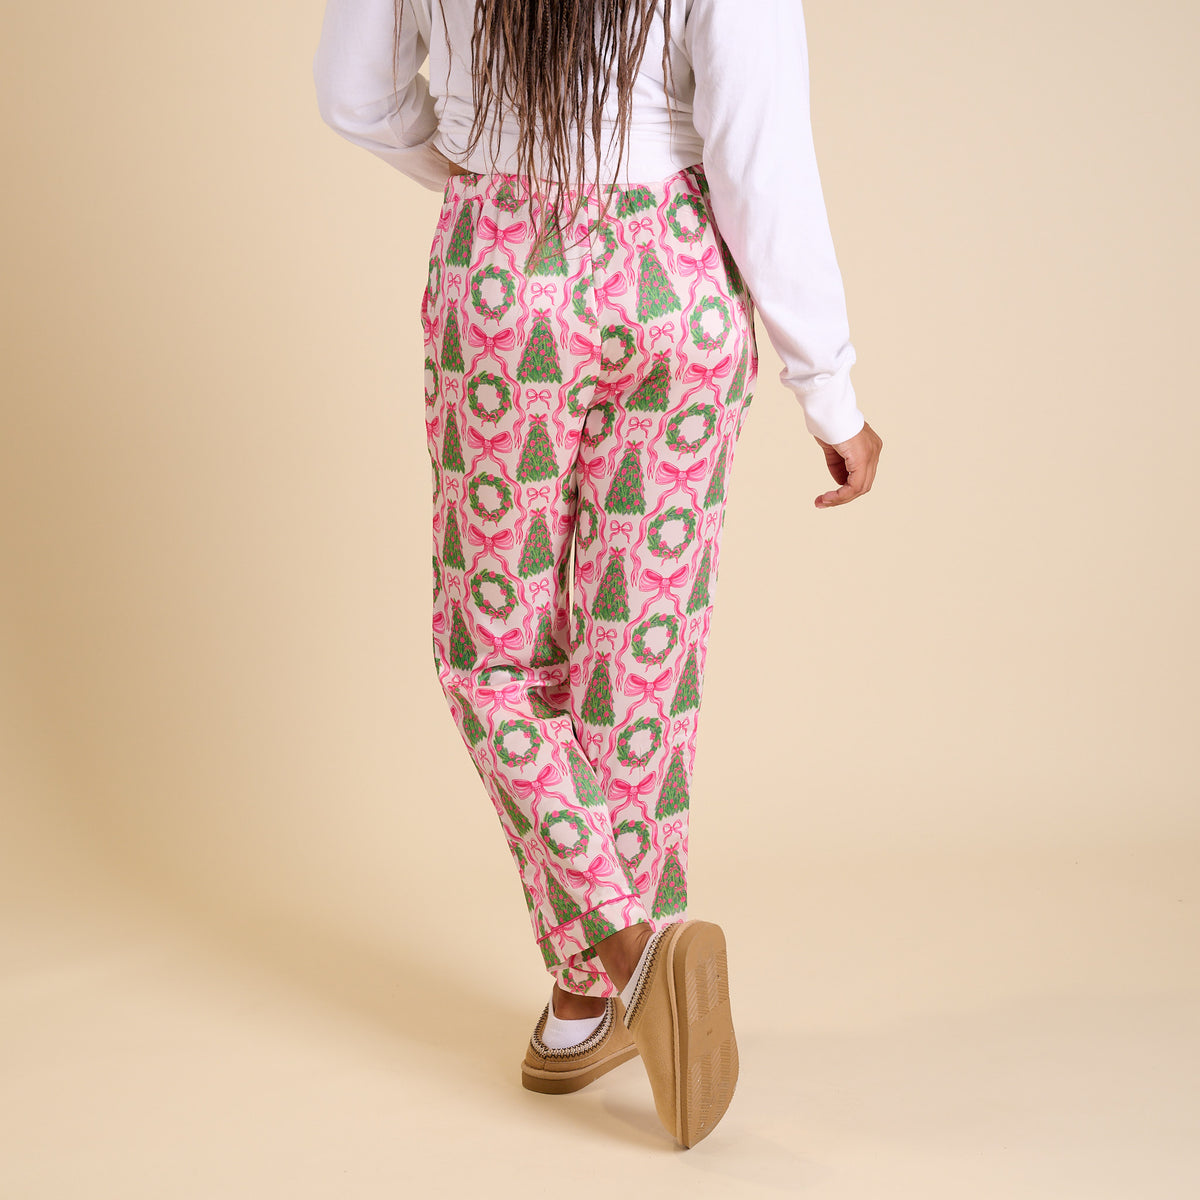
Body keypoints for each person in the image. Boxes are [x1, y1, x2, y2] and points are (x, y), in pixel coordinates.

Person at [313, 0, 883, 1149]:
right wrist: (828, 390)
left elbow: (357, 95)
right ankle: (600, 988)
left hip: (507, 280)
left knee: (494, 662)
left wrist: (485, 183)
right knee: (639, 661)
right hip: (679, 279)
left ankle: (622, 957)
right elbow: (760, 155)